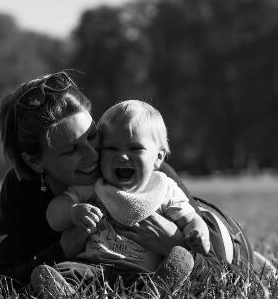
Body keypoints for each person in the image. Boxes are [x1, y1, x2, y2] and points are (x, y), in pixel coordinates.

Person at [0, 71, 258, 299]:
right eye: (70, 151)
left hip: (224, 236)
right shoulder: (21, 189)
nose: (92, 154)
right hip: (100, 268)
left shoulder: (146, 171)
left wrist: (175, 242)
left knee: (246, 262)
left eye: (92, 136)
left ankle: (260, 260)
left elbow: (228, 277)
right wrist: (61, 251)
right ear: (35, 162)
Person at [46, 100, 210, 279]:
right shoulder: (95, 186)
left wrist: (198, 235)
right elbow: (54, 216)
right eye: (111, 148)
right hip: (93, 268)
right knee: (66, 270)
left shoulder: (164, 189)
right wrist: (72, 212)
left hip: (143, 273)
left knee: (174, 266)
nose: (122, 156)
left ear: (158, 157)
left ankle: (163, 286)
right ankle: (59, 287)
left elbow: (191, 219)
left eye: (135, 148)